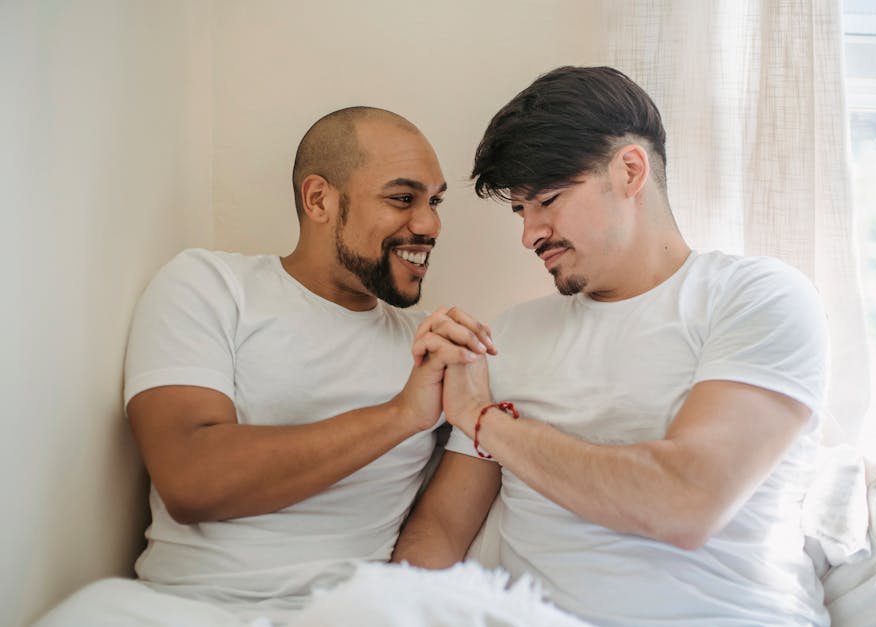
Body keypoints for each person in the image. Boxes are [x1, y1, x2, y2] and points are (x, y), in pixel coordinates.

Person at [393, 66, 831, 626]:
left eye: (547, 200)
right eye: (520, 211)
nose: (529, 235)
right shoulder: (511, 335)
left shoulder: (756, 297)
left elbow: (685, 502)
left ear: (629, 170)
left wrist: (485, 420)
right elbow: (442, 532)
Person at [36, 107, 496, 626]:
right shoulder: (208, 286)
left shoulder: (433, 353)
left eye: (434, 201)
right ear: (319, 199)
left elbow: (442, 527)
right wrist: (401, 416)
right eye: (402, 198)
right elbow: (191, 480)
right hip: (183, 609)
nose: (430, 223)